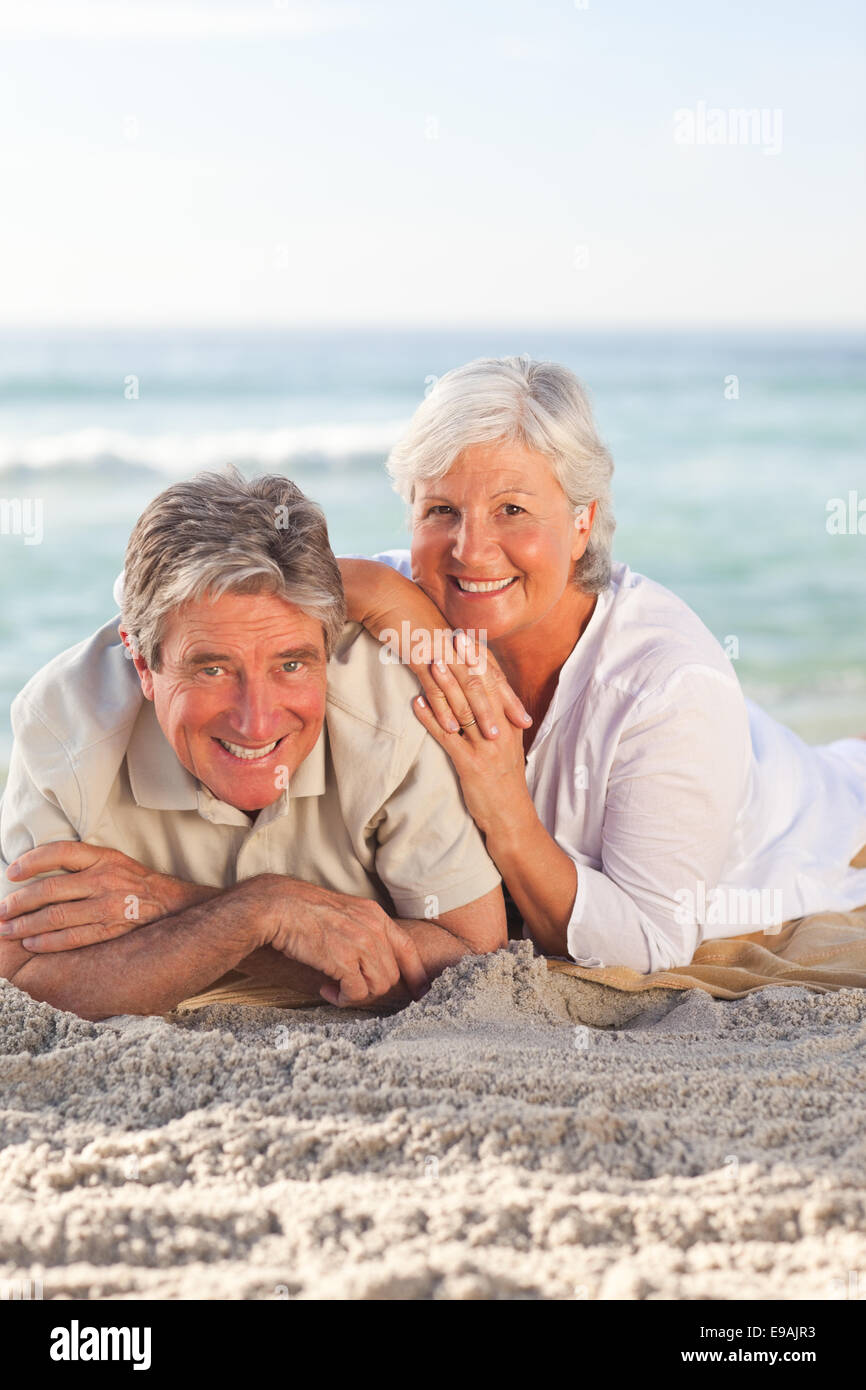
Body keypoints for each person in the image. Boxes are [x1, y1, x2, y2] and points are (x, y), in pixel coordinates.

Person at [338, 355, 866, 973]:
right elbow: (255, 590)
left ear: (583, 522)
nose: (471, 550)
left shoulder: (670, 683)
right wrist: (374, 587)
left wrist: (503, 800)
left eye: (512, 510)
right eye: (441, 511)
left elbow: (648, 942)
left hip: (811, 814)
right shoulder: (402, 595)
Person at [0, 468, 505, 1020]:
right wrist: (257, 914)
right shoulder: (62, 727)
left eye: (292, 664)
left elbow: (474, 962)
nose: (256, 721)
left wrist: (181, 906)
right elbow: (25, 975)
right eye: (213, 669)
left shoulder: (393, 706)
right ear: (143, 663)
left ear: (328, 644)